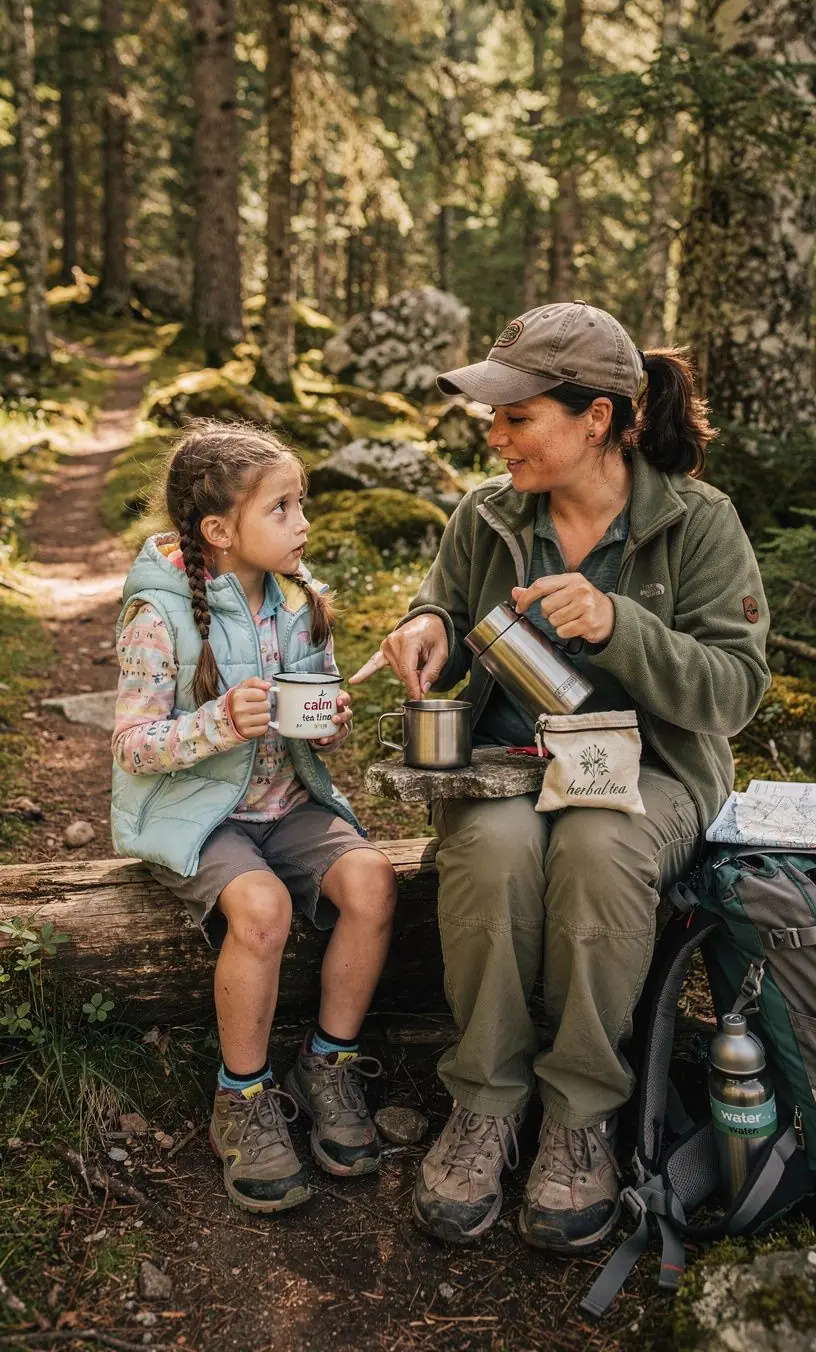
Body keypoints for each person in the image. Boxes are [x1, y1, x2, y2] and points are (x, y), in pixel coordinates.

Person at [352, 301, 770, 1255]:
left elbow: (737, 689)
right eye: (493, 418)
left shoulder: (698, 525)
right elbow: (448, 620)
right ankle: (488, 1104)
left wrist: (620, 625)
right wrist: (426, 627)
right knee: (497, 849)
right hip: (508, 771)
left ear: (599, 418)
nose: (495, 438)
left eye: (517, 416)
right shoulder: (489, 514)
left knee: (596, 843)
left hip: (654, 776)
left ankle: (581, 1112)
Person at [111, 421, 396, 1216]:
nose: (303, 523)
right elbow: (134, 746)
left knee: (373, 880)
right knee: (263, 909)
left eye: (301, 503)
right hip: (198, 812)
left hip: (288, 804)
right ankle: (241, 1096)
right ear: (220, 531)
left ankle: (329, 1063)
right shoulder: (159, 615)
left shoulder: (305, 601)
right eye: (282, 508)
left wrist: (330, 718)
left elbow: (319, 707)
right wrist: (219, 723)